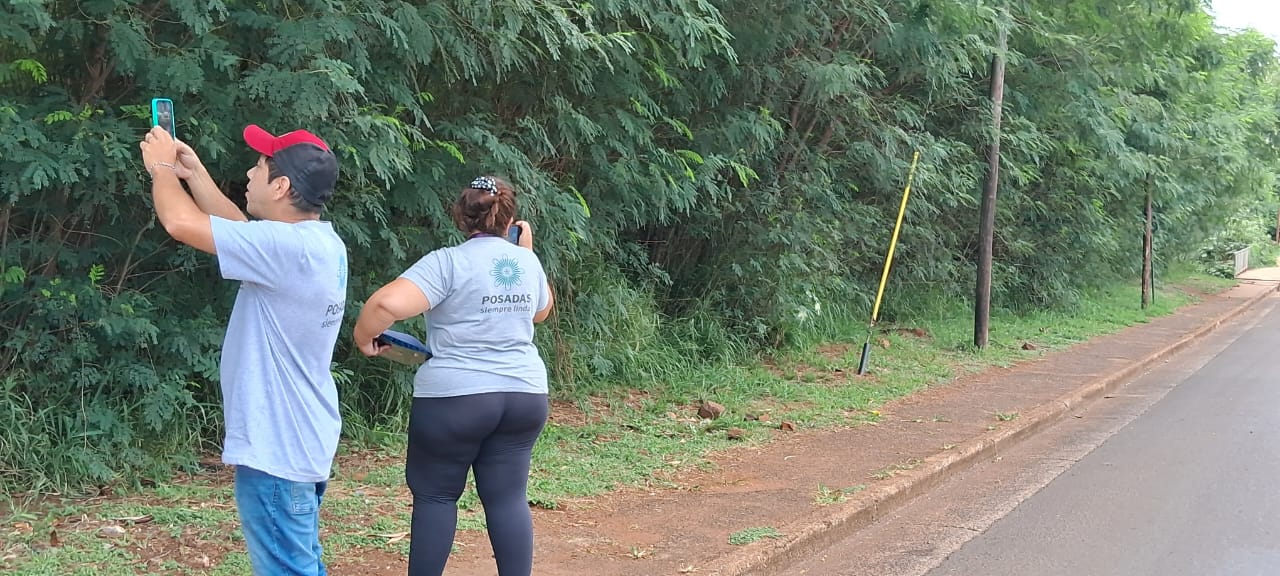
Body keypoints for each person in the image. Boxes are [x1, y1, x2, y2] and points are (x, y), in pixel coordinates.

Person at [139, 124, 348, 575]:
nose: (251, 174)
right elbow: (240, 232)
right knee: (301, 562)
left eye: (259, 166)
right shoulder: (318, 244)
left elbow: (180, 224)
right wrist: (194, 176)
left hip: (278, 447)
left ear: (281, 185)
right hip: (300, 438)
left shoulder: (287, 250)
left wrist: (159, 168)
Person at [352, 175, 554, 576]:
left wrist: (364, 338)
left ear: (462, 218)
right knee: (507, 499)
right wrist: (524, 252)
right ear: (510, 218)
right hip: (524, 395)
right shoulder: (527, 263)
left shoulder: (448, 262)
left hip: (456, 398)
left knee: (436, 498)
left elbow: (384, 304)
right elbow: (540, 312)